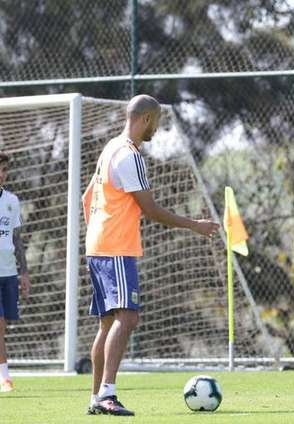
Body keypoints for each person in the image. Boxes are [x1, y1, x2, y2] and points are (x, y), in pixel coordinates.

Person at [82, 95, 220, 415]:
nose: (157, 129)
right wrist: (194, 225)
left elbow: (88, 196)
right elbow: (151, 210)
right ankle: (106, 394)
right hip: (115, 248)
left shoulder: (110, 147)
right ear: (145, 118)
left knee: (107, 324)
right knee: (127, 318)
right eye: (156, 122)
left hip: (99, 245)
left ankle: (96, 397)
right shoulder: (130, 156)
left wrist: (97, 232)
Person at [0, 152, 30, 393]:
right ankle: (5, 377)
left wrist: (24, 272)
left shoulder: (12, 200)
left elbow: (17, 239)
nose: (1, 174)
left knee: (5, 323)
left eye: (4, 169)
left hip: (9, 273)